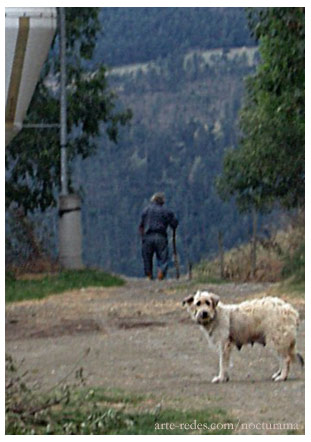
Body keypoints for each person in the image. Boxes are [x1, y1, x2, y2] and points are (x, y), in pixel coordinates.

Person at [139, 192, 178, 280]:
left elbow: (141, 225)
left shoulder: (146, 210)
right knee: (163, 257)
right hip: (160, 236)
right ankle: (160, 274)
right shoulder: (166, 211)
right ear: (162, 202)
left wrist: (142, 237)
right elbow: (174, 223)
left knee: (147, 257)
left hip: (148, 236)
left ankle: (149, 275)